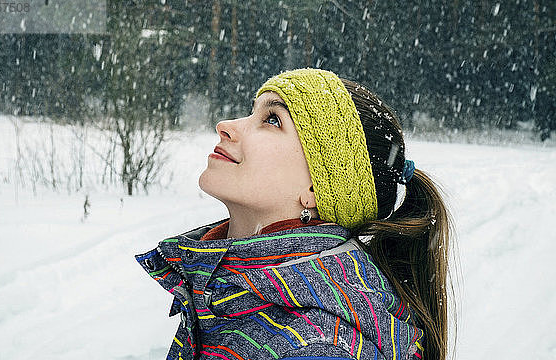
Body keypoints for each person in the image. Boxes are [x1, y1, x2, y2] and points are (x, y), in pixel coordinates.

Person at [136, 68, 455, 360]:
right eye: (253, 112)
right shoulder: (235, 293)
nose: (226, 126)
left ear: (319, 187)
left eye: (272, 119)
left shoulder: (316, 348)